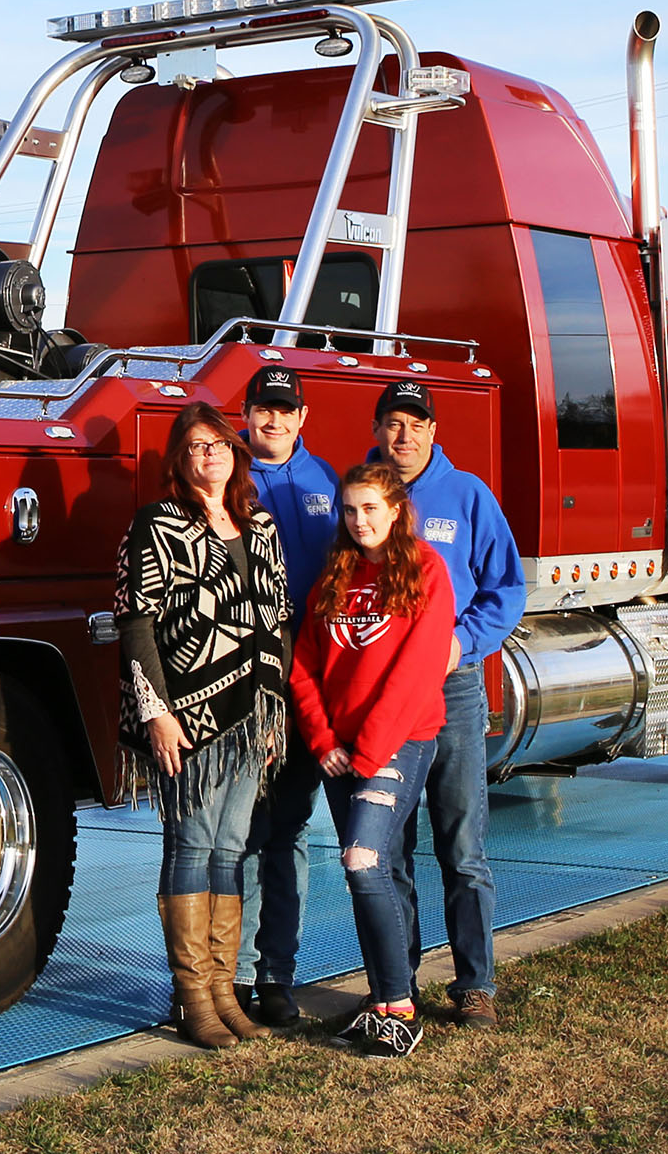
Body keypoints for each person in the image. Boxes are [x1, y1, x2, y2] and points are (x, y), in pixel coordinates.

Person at [114, 401, 290, 1049]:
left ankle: (222, 994)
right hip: (186, 717)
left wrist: (272, 711)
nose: (210, 454)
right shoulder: (157, 524)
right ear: (179, 459)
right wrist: (156, 713)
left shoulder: (260, 524)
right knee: (190, 847)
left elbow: (278, 619)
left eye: (219, 443)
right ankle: (192, 1000)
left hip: (251, 716)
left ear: (235, 454)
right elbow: (136, 622)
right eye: (196, 445)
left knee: (228, 848)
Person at [369, 378, 527, 1030]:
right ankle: (397, 985)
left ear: (434, 431)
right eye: (393, 422)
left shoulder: (467, 496)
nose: (404, 435)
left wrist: (462, 642)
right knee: (391, 847)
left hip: (452, 688)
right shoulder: (365, 499)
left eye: (416, 423)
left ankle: (474, 985)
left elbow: (506, 589)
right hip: (386, 696)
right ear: (377, 430)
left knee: (462, 844)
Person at [288, 460, 457, 1061]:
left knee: (363, 863)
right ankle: (384, 1002)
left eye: (370, 508)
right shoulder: (334, 576)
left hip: (399, 742)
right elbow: (304, 665)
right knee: (374, 870)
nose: (359, 520)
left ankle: (400, 1009)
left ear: (396, 511)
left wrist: (367, 750)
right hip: (340, 752)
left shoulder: (426, 571)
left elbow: (417, 671)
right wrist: (323, 742)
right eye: (350, 509)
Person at [231, 362, 343, 1027]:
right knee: (247, 829)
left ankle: (278, 975)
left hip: (311, 682)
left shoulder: (327, 480)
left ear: (302, 417)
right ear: (246, 415)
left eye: (284, 409)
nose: (273, 420)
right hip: (251, 682)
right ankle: (238, 975)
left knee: (291, 828)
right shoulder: (230, 480)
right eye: (262, 409)